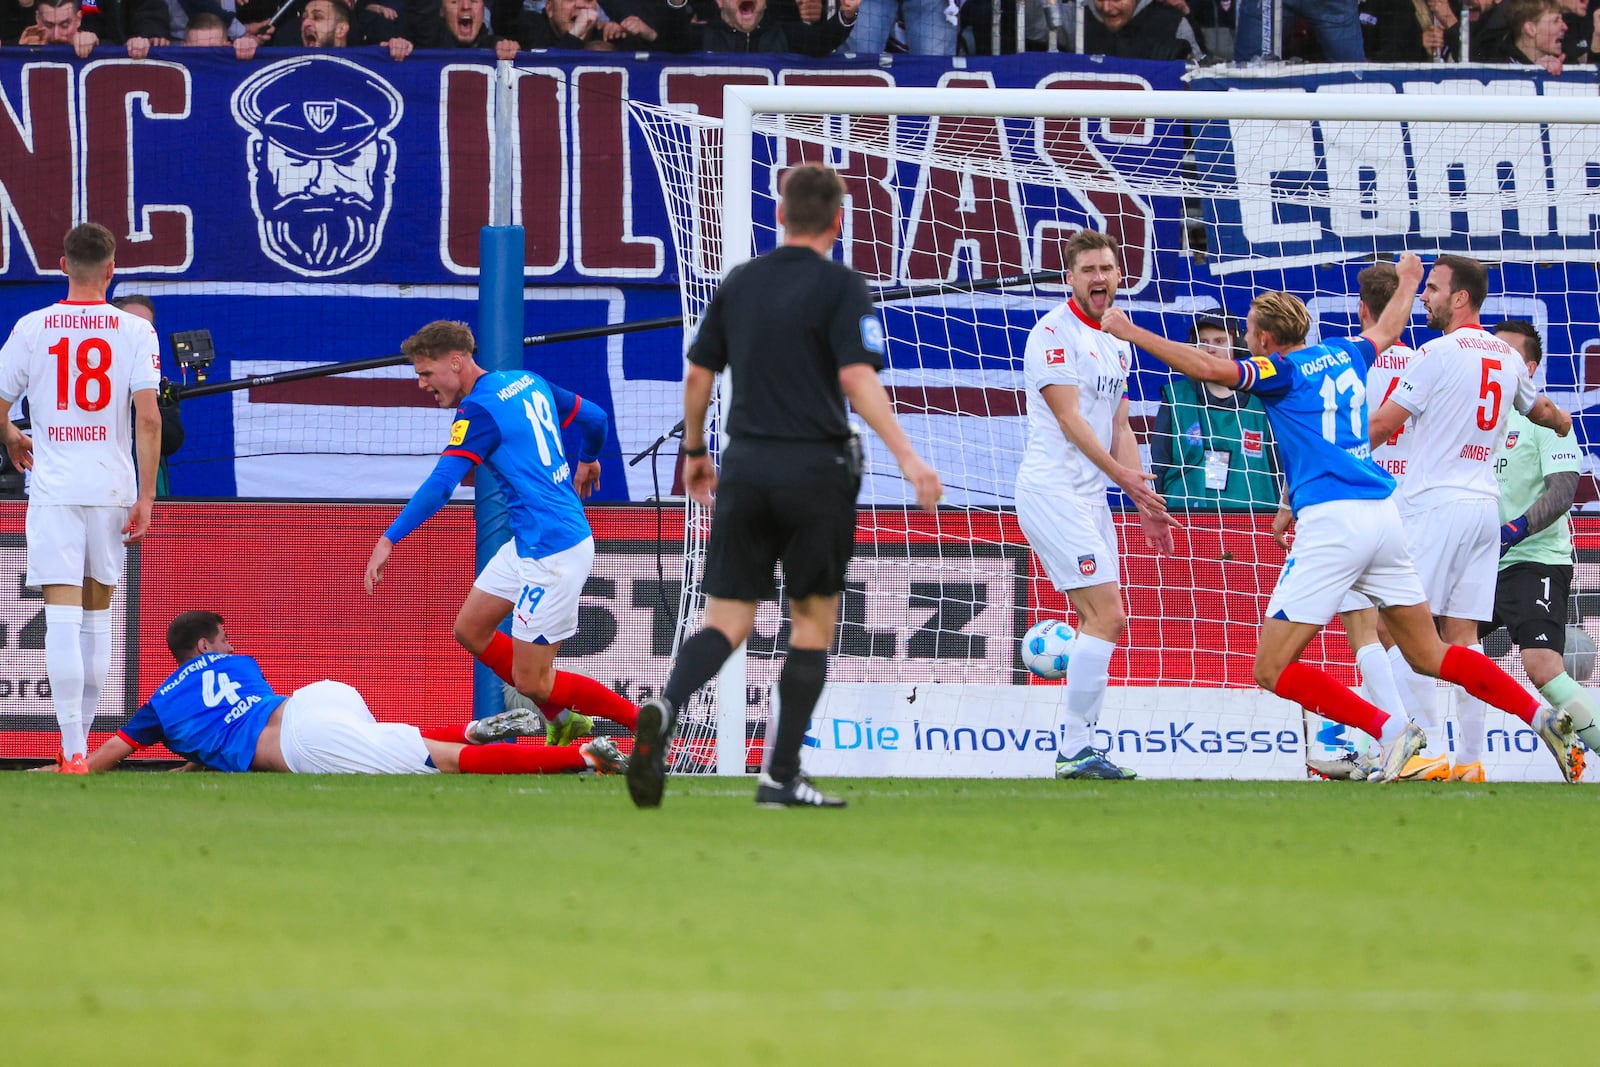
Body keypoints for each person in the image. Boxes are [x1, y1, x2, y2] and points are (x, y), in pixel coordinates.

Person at [1102, 253, 1581, 784]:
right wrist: (1408, 280)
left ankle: (1391, 731)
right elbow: (1392, 324)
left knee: (1271, 668)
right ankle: (1538, 716)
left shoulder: (1276, 371)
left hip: (1337, 523)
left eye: (1246, 334)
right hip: (1386, 518)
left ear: (1261, 340)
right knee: (1432, 651)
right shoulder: (1347, 353)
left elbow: (1207, 367)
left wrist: (1129, 329)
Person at [625, 163, 942, 810]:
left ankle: (668, 701)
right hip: (815, 470)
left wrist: (694, 452)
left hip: (744, 467)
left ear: (778, 215)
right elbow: (856, 378)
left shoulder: (740, 282)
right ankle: (780, 775)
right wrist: (910, 459)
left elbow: (697, 378)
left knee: (725, 620)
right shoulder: (841, 285)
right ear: (838, 220)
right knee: (811, 622)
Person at [364, 320, 640, 750]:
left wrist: (388, 539)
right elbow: (595, 418)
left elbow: (441, 484)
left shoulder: (478, 411)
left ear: (456, 362)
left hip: (554, 552)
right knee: (470, 630)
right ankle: (563, 721)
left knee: (534, 680)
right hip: (529, 542)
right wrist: (588, 459)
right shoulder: (526, 381)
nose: (421, 384)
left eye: (425, 372)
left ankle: (643, 722)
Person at [1364, 255, 1575, 782]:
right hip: (1484, 508)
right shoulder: (1504, 358)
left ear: (1460, 298)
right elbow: (1544, 413)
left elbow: (1383, 427)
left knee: (1391, 627)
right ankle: (1470, 762)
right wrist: (1563, 419)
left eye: (1433, 289)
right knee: (1462, 637)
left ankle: (1426, 748)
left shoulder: (1435, 353)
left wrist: (1321, 456)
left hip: (1436, 503)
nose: (1425, 298)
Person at [1014, 230, 1176, 781]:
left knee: (1099, 619)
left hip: (1093, 496)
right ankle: (1076, 748)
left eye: (1108, 268)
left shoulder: (1117, 340)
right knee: (1107, 615)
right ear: (1071, 278)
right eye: (1089, 270)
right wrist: (1122, 478)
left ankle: (1081, 747)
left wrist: (1144, 501)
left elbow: (1119, 423)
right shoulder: (1051, 335)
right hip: (1051, 491)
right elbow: (1070, 419)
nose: (1101, 278)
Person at [0, 222, 162, 774]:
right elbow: (148, 415)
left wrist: (12, 435)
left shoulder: (32, 326)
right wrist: (146, 494)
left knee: (62, 618)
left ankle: (71, 750)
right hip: (111, 486)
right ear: (112, 269)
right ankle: (84, 752)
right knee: (98, 618)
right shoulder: (135, 331)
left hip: (55, 487)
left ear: (62, 264)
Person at [85, 611, 626, 775]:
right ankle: (474, 727)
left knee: (447, 764)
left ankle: (578, 756)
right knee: (389, 739)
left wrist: (71, 768)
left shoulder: (160, 702)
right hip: (317, 697)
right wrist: (196, 767)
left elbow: (109, 755)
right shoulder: (236, 662)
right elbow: (237, 722)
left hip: (306, 744)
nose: (231, 642)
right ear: (207, 647)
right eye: (223, 636)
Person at [1468, 321, 1597, 779]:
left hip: (1533, 556)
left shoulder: (1545, 419)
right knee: (1425, 649)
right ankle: (1412, 752)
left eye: (1506, 354)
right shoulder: (1475, 416)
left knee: (1542, 665)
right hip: (1475, 560)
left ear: (1529, 367)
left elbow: (1564, 491)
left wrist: (1515, 529)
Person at [1150, 313, 1279, 513]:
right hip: (1187, 518)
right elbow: (1160, 463)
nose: (1210, 349)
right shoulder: (1176, 397)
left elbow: (1278, 466)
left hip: (1256, 521)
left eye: (1219, 341)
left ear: (1235, 343)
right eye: (1203, 342)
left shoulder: (1263, 398)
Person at [109, 294, 186, 496]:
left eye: (146, 326)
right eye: (131, 324)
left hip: (147, 497)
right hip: (97, 490)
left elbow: (170, 442)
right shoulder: (85, 368)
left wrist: (160, 406)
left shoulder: (153, 381)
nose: (139, 332)